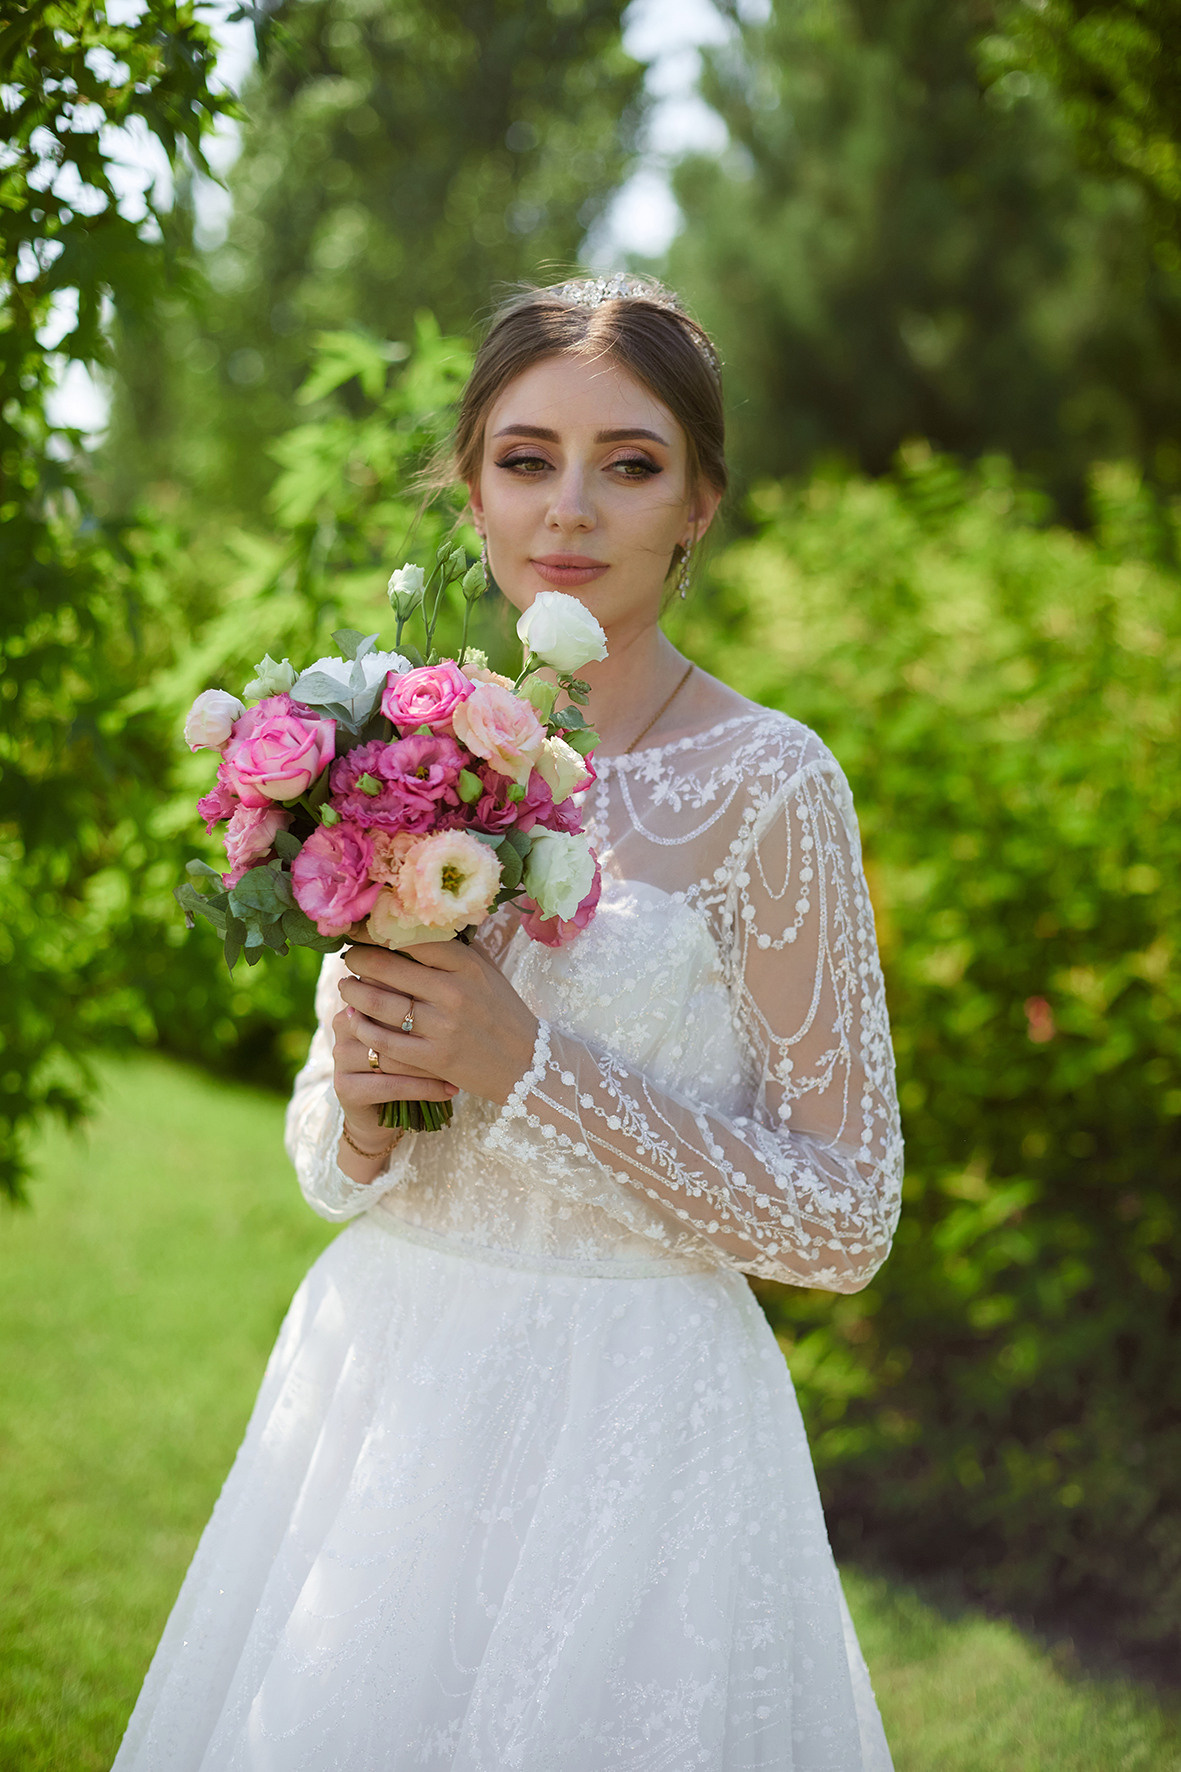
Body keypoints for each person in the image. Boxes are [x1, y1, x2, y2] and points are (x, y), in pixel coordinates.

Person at [114, 273, 903, 1771]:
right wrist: (354, 1103)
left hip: (644, 1434)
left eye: (630, 462)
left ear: (699, 506)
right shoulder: (398, 744)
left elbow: (846, 1217)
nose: (571, 508)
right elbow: (329, 1155)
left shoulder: (769, 786)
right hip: (385, 1387)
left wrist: (527, 1070)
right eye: (527, 458)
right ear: (471, 490)